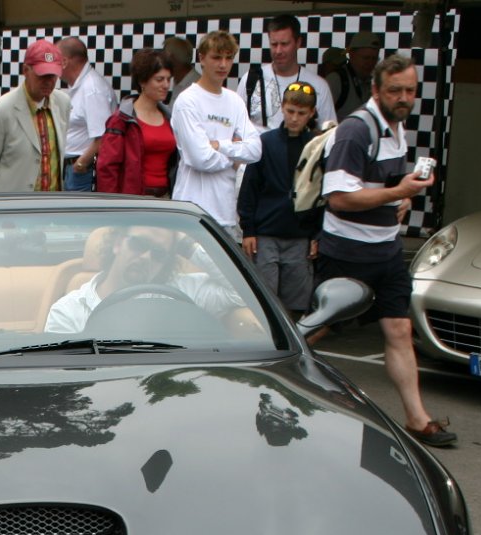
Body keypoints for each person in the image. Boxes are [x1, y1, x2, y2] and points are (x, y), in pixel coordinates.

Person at [318, 53, 454, 447]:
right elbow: (340, 197)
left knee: (398, 328)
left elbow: (384, 185)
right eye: (395, 90)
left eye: (410, 90)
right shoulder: (356, 131)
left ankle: (417, 418)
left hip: (386, 250)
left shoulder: (396, 127)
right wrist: (398, 192)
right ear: (376, 89)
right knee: (320, 326)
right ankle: (264, 380)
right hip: (347, 250)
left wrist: (402, 198)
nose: (404, 97)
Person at [45, 225, 249, 336]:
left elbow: (243, 291)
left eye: (159, 253)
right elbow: (65, 378)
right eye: (139, 244)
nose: (145, 257)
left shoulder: (182, 291)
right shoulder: (69, 310)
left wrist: (187, 246)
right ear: (118, 244)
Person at [238, 82, 319, 318]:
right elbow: (250, 188)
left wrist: (316, 235)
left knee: (295, 300)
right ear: (282, 107)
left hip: (300, 234)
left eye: (301, 113)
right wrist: (248, 230)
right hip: (266, 233)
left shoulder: (315, 146)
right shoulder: (266, 142)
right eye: (290, 111)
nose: (295, 118)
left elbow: (320, 193)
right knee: (265, 298)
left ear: (311, 113)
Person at [170, 31, 262, 239]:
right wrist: (236, 155)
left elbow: (256, 150)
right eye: (216, 57)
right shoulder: (187, 101)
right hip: (192, 214)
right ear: (201, 58)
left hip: (226, 214)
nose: (223, 64)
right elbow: (200, 158)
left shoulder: (234, 101)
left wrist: (220, 145)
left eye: (228, 58)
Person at [0, 39, 71, 194]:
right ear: (25, 70)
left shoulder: (62, 103)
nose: (48, 81)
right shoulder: (0, 111)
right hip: (12, 209)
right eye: (42, 75)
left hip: (51, 208)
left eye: (53, 75)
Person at [96, 48, 177, 197]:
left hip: (166, 197)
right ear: (142, 81)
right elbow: (107, 168)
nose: (166, 85)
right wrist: (110, 206)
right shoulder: (121, 120)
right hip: (134, 199)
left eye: (168, 79)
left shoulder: (170, 118)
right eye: (159, 79)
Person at [236, 15, 337, 132]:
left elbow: (329, 133)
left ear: (298, 43)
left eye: (284, 44)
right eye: (274, 44)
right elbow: (235, 124)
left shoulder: (319, 85)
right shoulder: (250, 79)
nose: (278, 51)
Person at [56, 37, 116, 191]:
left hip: (84, 171)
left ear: (64, 61)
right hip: (76, 169)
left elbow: (104, 136)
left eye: (55, 60)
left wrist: (81, 163)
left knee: (77, 214)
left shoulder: (92, 89)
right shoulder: (83, 86)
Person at [329, 31, 382, 121]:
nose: (370, 63)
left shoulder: (377, 81)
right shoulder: (336, 80)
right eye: (366, 58)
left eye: (374, 59)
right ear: (351, 55)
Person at [163, 36, 200, 107]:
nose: (162, 62)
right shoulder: (179, 80)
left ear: (172, 58)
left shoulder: (196, 87)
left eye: (164, 57)